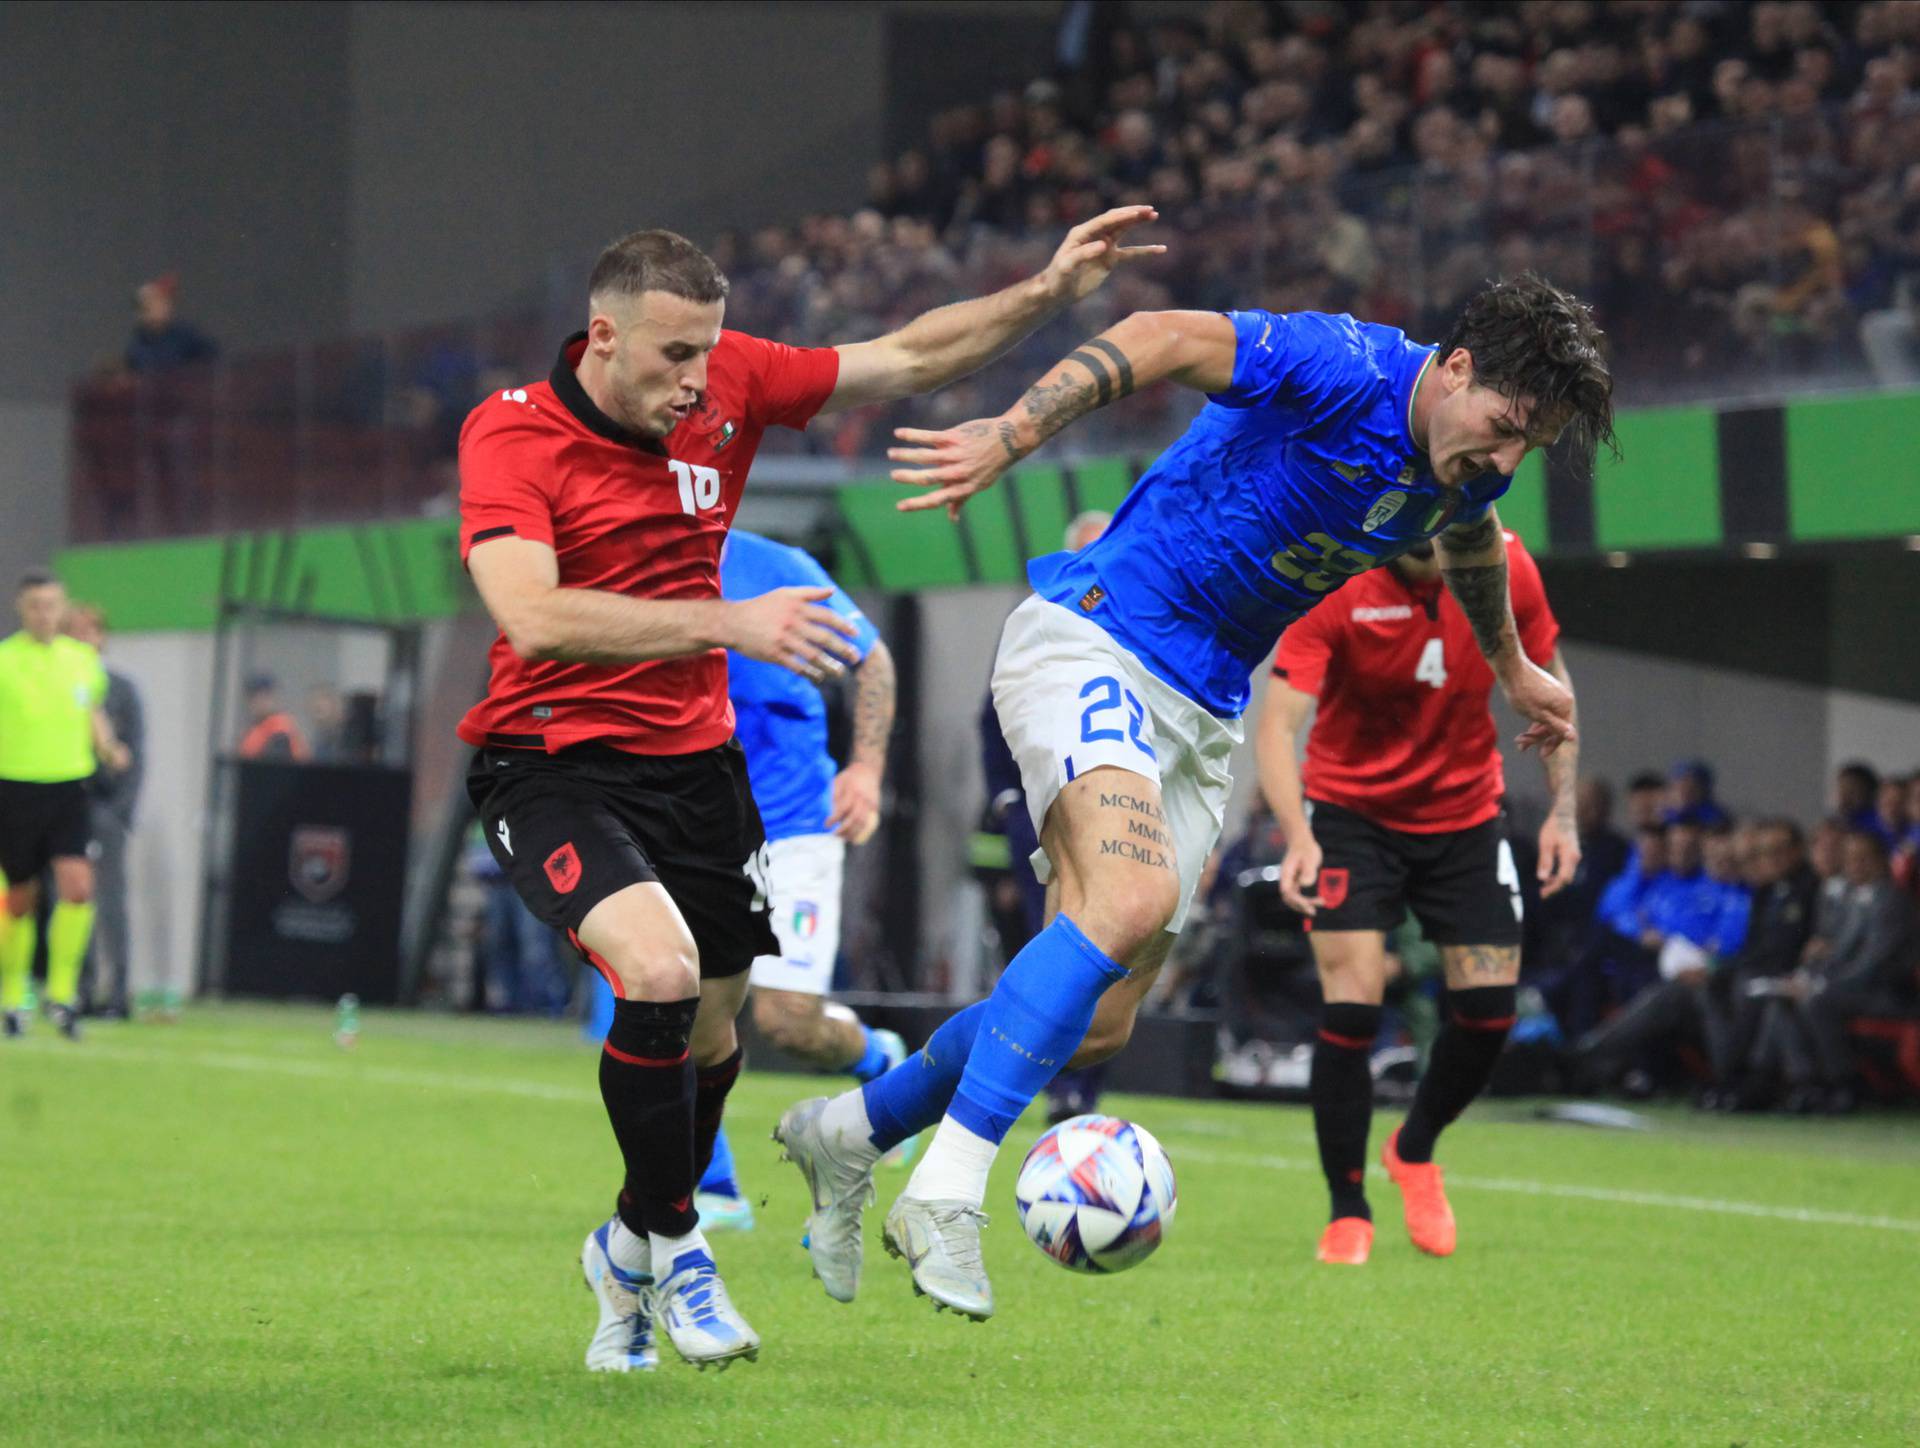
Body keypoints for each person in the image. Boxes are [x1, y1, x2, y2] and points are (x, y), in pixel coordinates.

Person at [778, 271, 1613, 1319]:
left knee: (1095, 1024)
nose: (1506, 458)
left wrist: (1507, 664)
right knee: (1123, 899)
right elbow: (1164, 333)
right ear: (1455, 370)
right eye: (1504, 426)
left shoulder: (1467, 468)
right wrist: (1015, 433)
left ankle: (850, 1133)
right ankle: (946, 1191)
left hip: (1202, 705)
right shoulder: (1343, 363)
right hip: (1097, 635)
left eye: (1527, 447)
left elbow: (1476, 542)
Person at [456, 213, 1165, 1370]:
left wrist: (1047, 289)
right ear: (601, 336)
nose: (698, 380)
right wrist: (723, 623)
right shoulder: (511, 433)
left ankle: (621, 1249)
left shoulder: (730, 377)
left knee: (721, 1027)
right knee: (662, 976)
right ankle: (679, 1244)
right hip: (549, 756)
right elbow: (528, 613)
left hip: (695, 766)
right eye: (672, 356)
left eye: (708, 353)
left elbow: (911, 356)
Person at [1255, 528, 1578, 1265]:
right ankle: (1347, 1210)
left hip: (1465, 814)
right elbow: (1276, 728)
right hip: (1351, 814)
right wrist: (1297, 834)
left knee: (1491, 1012)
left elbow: (1550, 681)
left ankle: (1414, 1147)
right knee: (1353, 999)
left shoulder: (1507, 563)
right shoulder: (1337, 575)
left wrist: (1562, 813)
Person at [693, 529, 904, 1232]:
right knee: (679, 1005)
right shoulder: (631, 557)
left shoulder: (773, 566)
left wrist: (866, 769)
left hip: (793, 825)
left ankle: (879, 1060)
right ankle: (715, 1186)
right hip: (694, 827)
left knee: (786, 1022)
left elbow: (873, 663)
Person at [0, 571, 131, 1039]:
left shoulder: (81, 661)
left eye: (52, 604)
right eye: (35, 604)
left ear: (62, 608)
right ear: (22, 608)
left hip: (68, 788)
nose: (44, 613)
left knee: (77, 887)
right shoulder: (5, 660)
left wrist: (110, 748)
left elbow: (91, 713)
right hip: (14, 788)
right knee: (18, 900)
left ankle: (62, 995)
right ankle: (13, 997)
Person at [64, 604, 145, 1019]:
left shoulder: (121, 690)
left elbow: (135, 756)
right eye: (75, 631)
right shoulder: (59, 685)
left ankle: (118, 993)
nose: (84, 638)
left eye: (90, 631)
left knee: (110, 901)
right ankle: (80, 989)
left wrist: (119, 814)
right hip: (66, 807)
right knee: (73, 901)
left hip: (105, 809)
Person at [236, 674, 310, 761]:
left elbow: (277, 765)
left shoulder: (280, 728)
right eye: (254, 697)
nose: (258, 701)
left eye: (264, 696)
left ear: (273, 698)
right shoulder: (256, 726)